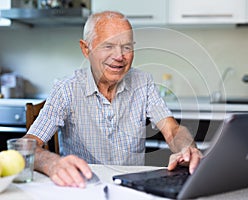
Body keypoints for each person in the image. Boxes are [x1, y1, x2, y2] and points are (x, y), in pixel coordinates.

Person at [24, 11, 202, 188]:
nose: (119, 56)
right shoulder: (66, 89)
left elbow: (172, 130)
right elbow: (26, 145)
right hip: (84, 188)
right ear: (86, 49)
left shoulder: (143, 82)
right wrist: (52, 163)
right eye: (108, 46)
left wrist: (187, 148)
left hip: (132, 187)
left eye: (127, 47)